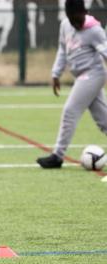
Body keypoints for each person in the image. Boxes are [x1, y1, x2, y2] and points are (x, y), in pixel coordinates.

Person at [38, 0, 107, 168]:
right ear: (67, 16)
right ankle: (57, 155)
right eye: (73, 20)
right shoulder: (65, 26)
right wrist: (56, 73)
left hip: (93, 75)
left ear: (85, 12)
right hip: (81, 76)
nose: (77, 23)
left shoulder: (94, 30)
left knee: (70, 111)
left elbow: (105, 52)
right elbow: (62, 50)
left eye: (80, 19)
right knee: (103, 119)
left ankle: (57, 156)